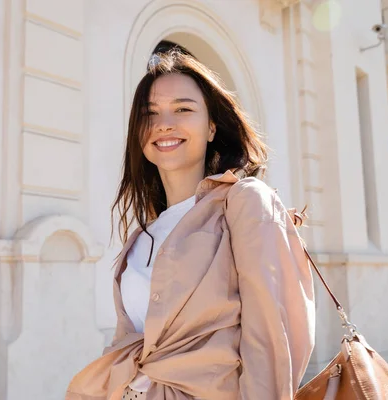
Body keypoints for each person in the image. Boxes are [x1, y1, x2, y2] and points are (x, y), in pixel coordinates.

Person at [66, 50, 315, 400]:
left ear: (212, 126)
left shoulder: (243, 202)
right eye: (149, 113)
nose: (164, 123)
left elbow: (274, 339)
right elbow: (129, 345)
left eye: (183, 109)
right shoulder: (140, 238)